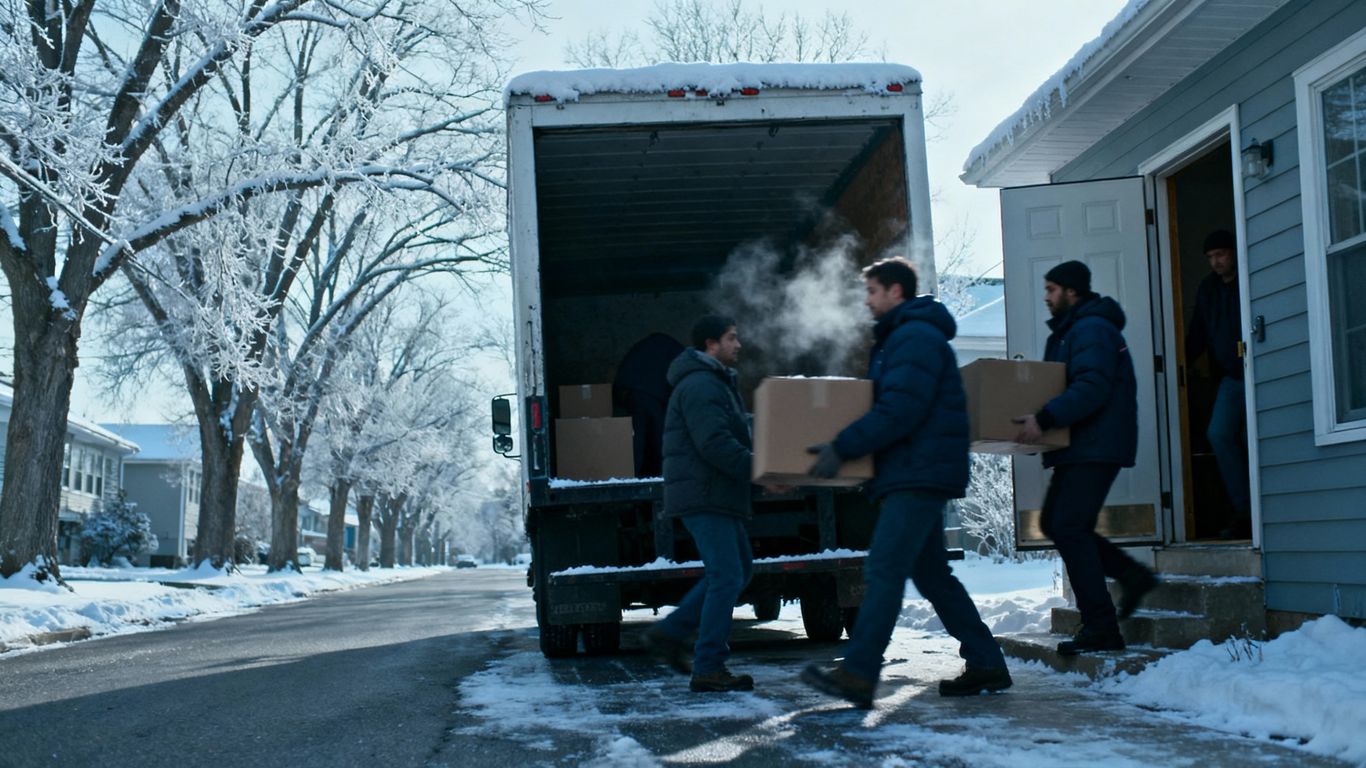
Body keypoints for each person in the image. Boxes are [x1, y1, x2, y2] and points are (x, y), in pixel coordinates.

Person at [800, 257, 1011, 709]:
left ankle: (858, 673)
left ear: (896, 291)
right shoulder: (906, 337)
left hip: (919, 473)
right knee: (933, 575)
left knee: (883, 570)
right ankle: (987, 661)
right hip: (918, 470)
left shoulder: (913, 337)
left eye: (872, 291)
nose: (866, 301)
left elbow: (900, 409)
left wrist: (845, 446)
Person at [1013, 260, 1158, 655]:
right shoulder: (1074, 329)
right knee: (1056, 523)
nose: (1046, 297)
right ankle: (1131, 576)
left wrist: (1045, 419)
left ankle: (1102, 626)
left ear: (1072, 291)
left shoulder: (1092, 328)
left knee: (1068, 526)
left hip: (1096, 443)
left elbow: (1092, 386)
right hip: (1082, 444)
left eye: (1051, 290)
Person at [642, 315, 758, 693]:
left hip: (715, 493)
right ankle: (708, 666)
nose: (738, 345)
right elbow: (714, 444)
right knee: (727, 575)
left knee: (738, 569)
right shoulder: (701, 385)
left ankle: (670, 634)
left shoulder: (715, 383)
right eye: (732, 338)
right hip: (704, 494)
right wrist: (760, 470)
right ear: (711, 344)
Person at [1187, 229, 1250, 538]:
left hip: (1258, 369)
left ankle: (1261, 506)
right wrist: (1179, 364)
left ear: (1234, 253)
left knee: (1253, 437)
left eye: (1221, 255)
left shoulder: (1250, 278)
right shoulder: (1208, 290)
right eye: (1210, 257)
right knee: (1219, 434)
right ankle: (1243, 509)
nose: (1216, 262)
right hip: (1229, 377)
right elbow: (1198, 331)